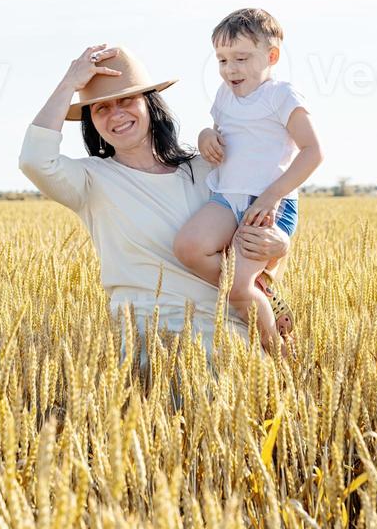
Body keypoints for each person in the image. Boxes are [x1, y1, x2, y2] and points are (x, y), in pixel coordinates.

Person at [18, 44, 292, 367]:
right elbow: (35, 159)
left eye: (126, 100)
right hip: (150, 340)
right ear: (91, 122)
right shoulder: (91, 180)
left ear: (149, 103)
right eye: (101, 108)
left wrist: (281, 246)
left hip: (227, 332)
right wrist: (69, 83)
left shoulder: (209, 169)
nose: (116, 114)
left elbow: (259, 232)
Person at [174, 8, 323, 352]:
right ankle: (264, 290)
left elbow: (313, 151)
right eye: (222, 60)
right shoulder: (224, 96)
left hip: (270, 204)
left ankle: (281, 354)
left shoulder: (283, 95)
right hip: (226, 197)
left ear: (271, 56)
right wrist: (204, 135)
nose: (230, 69)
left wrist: (271, 196)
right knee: (188, 248)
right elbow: (220, 131)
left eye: (241, 58)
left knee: (238, 291)